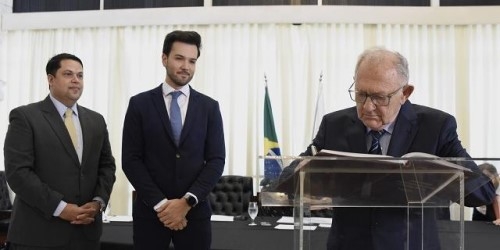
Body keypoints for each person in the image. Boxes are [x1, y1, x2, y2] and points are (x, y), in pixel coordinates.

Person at [279, 47, 495, 250]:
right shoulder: (334, 125)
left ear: (405, 93)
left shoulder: (436, 127)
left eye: (379, 97)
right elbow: (289, 178)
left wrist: (437, 176)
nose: (367, 107)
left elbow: (481, 194)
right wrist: (317, 182)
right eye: (361, 94)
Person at [122, 30, 225, 250]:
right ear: (164, 58)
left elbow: (216, 160)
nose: (186, 66)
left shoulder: (209, 107)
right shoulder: (139, 104)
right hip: (150, 214)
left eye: (192, 61)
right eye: (179, 58)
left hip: (194, 214)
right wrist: (162, 205)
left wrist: (186, 202)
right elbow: (131, 160)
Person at [3, 53, 116, 249]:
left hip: (86, 236)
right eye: (68, 74)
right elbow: (18, 174)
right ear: (51, 79)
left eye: (80, 75)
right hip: (37, 237)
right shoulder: (25, 117)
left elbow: (107, 166)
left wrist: (98, 202)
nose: (76, 80)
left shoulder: (96, 120)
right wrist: (60, 208)